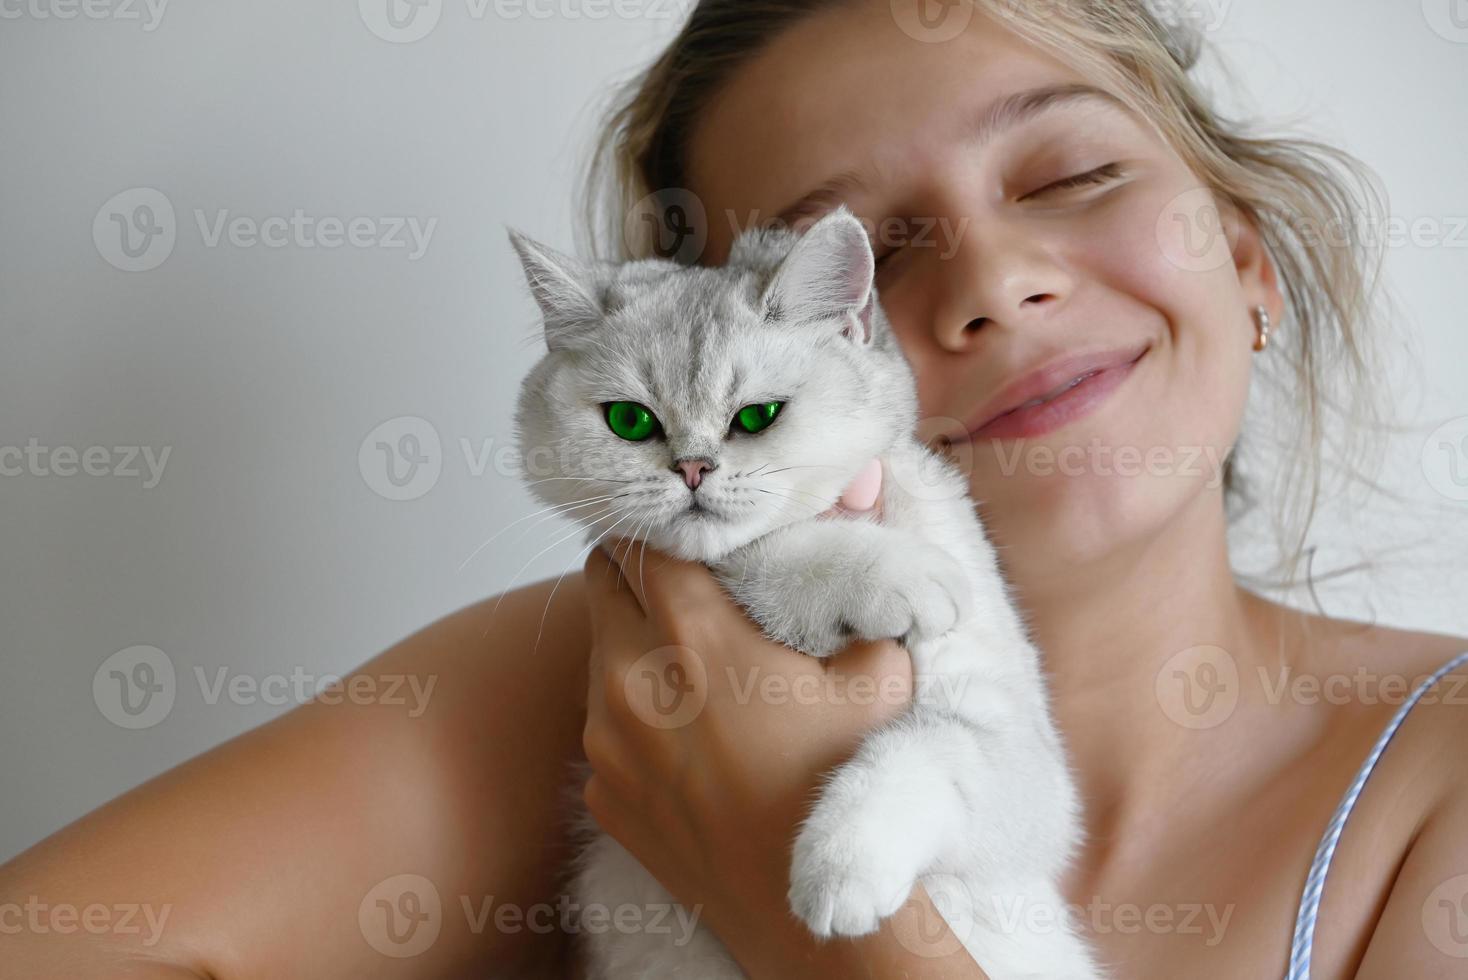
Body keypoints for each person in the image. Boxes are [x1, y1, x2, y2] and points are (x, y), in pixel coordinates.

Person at [3, 2, 1464, 977]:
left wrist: (811, 913)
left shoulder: (1437, 782)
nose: (994, 287)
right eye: (856, 254)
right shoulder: (584, 689)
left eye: (1071, 170)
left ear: (1251, 259)